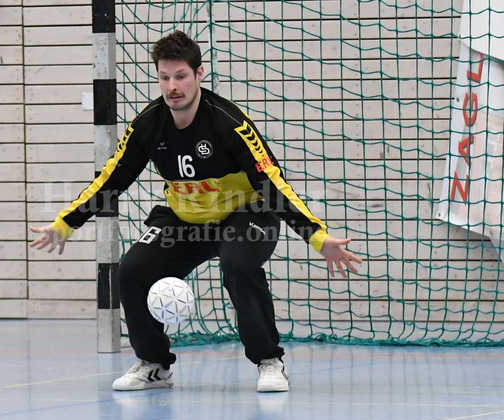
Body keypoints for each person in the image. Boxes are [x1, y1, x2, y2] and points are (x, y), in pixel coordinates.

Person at [30, 30, 363, 393]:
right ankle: (155, 365)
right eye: (164, 77)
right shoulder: (147, 126)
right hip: (185, 222)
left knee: (238, 265)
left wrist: (317, 237)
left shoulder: (229, 123)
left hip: (246, 215)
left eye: (181, 76)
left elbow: (273, 184)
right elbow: (111, 180)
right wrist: (66, 223)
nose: (172, 86)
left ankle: (269, 361)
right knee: (132, 271)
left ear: (199, 73)